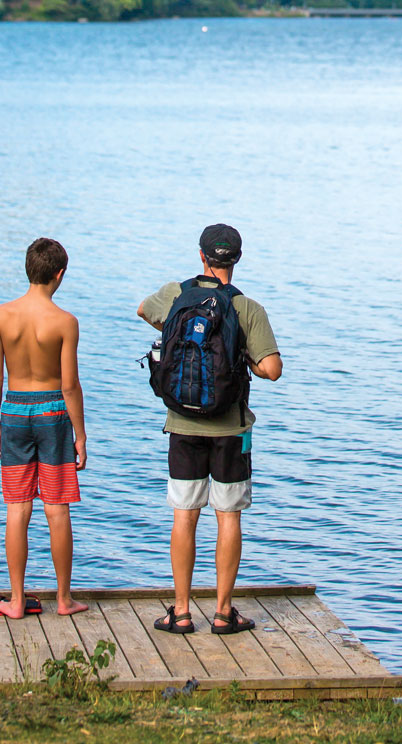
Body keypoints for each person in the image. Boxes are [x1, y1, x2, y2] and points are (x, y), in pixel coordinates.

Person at [137, 223, 282, 635]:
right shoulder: (246, 308)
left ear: (201, 255)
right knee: (228, 517)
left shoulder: (176, 294)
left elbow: (143, 309)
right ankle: (222, 612)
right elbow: (272, 369)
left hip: (182, 425)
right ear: (237, 259)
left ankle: (181, 612)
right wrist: (246, 359)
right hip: (230, 429)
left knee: (184, 516)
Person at [0, 237, 88, 619]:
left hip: (14, 410)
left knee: (17, 507)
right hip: (52, 414)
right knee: (56, 508)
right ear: (59, 274)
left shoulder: (1, 316)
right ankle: (64, 599)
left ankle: (15, 600)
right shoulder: (65, 322)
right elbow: (70, 385)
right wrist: (80, 435)